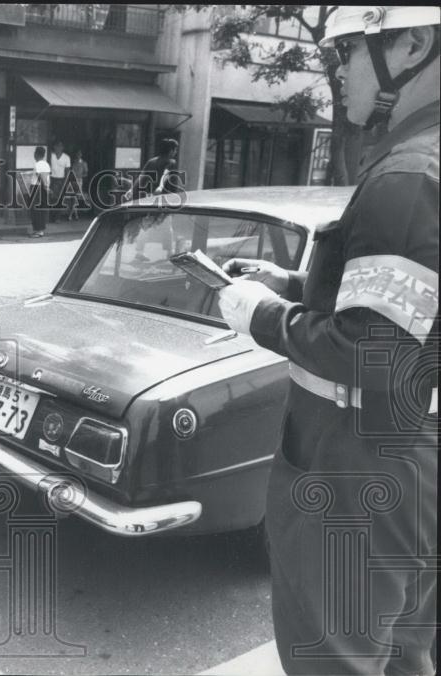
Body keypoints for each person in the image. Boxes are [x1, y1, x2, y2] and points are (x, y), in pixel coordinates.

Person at [218, 6, 438, 674]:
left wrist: (260, 315)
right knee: (403, 652)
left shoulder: (408, 175)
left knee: (333, 658)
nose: (336, 69)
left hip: (357, 460)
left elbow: (377, 352)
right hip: (407, 453)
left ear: (413, 44)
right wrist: (289, 281)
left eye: (347, 51)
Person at [124, 137, 180, 202]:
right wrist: (161, 187)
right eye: (175, 150)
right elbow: (165, 174)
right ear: (171, 150)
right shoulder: (172, 162)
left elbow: (141, 177)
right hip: (165, 197)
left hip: (151, 197)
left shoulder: (151, 161)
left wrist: (131, 190)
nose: (175, 152)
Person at [28, 146, 51, 238]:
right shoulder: (46, 164)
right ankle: (39, 230)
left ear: (36, 154)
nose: (34, 155)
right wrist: (47, 187)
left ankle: (38, 230)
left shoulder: (38, 164)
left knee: (36, 209)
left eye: (35, 153)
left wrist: (45, 186)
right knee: (41, 209)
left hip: (37, 188)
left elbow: (41, 176)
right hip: (42, 188)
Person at [48, 140, 71, 222]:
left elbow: (67, 171)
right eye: (57, 146)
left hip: (61, 180)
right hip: (52, 179)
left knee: (59, 199)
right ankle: (51, 217)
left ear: (63, 148)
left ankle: (57, 217)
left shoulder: (66, 157)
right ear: (54, 147)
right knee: (51, 198)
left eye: (60, 146)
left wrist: (65, 182)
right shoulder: (50, 155)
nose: (58, 148)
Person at [65, 149, 88, 221]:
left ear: (81, 155)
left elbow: (86, 173)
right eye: (77, 154)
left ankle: (71, 215)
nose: (78, 155)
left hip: (79, 180)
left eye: (79, 154)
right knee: (74, 197)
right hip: (73, 181)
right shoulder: (74, 163)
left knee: (75, 197)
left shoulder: (84, 163)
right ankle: (75, 215)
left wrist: (80, 176)